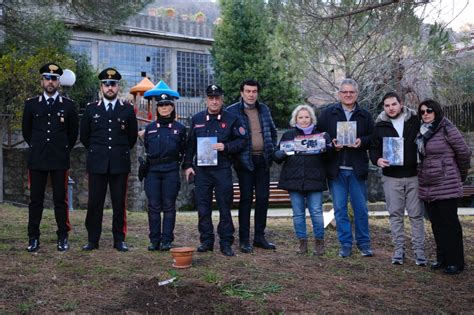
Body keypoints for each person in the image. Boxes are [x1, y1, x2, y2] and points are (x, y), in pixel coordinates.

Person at [183, 84, 247, 257]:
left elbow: (242, 141)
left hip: (222, 169)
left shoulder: (232, 118)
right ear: (206, 100)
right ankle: (206, 241)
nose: (214, 101)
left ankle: (226, 243)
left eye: (217, 98)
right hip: (202, 171)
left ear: (222, 99)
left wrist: (225, 146)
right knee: (203, 207)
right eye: (211, 98)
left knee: (224, 207)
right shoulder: (196, 119)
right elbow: (190, 145)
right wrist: (188, 165)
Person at [21, 62, 79, 252]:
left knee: (60, 200)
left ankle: (62, 236)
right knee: (35, 200)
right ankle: (33, 237)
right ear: (42, 81)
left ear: (59, 82)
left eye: (54, 79)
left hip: (58, 159)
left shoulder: (68, 106)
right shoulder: (31, 105)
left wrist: (60, 149)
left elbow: (72, 134)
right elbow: (27, 132)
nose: (50, 82)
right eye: (47, 78)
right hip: (37, 159)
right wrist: (39, 147)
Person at [80, 68, 138, 252]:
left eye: (113, 84)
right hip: (97, 163)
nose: (110, 87)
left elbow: (132, 137)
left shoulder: (127, 110)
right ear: (101, 87)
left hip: (119, 164)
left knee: (119, 203)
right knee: (94, 203)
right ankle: (92, 240)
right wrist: (99, 152)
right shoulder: (91, 109)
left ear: (118, 87)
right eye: (106, 84)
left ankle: (119, 240)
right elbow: (85, 137)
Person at [317, 78, 374, 258]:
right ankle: (345, 244)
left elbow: (374, 138)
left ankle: (364, 244)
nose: (348, 95)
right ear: (339, 94)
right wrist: (332, 144)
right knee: (340, 209)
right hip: (336, 169)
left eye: (351, 92)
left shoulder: (365, 115)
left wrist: (362, 141)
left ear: (357, 94)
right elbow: (319, 138)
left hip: (357, 169)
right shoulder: (327, 114)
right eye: (345, 92)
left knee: (360, 209)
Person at [369, 92, 427, 266]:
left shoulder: (415, 120)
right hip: (391, 177)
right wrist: (377, 159)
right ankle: (398, 251)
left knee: (416, 216)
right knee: (395, 215)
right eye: (386, 106)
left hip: (414, 175)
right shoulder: (379, 125)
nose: (390, 108)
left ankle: (419, 252)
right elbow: (374, 148)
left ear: (401, 103)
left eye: (393, 104)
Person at [416, 99, 471, 275]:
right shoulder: (421, 131)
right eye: (422, 111)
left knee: (450, 225)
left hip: (446, 184)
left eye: (429, 111)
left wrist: (457, 175)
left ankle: (456, 262)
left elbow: (464, 153)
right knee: (436, 224)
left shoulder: (446, 128)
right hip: (428, 185)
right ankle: (443, 259)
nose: (425, 114)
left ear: (437, 111)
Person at [226, 79, 278, 253]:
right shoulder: (232, 111)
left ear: (257, 93)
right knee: (246, 199)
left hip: (263, 161)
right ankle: (244, 239)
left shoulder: (264, 109)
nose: (251, 94)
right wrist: (235, 159)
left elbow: (272, 131)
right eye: (248, 91)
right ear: (242, 93)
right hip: (244, 163)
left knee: (263, 199)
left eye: (254, 91)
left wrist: (270, 152)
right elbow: (228, 138)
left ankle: (259, 237)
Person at [273, 105, 332, 255]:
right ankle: (302, 243)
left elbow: (329, 157)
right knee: (298, 213)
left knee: (316, 212)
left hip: (315, 179)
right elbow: (277, 157)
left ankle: (319, 243)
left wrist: (328, 147)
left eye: (307, 117)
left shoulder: (321, 135)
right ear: (295, 119)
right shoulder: (288, 135)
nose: (304, 120)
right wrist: (281, 153)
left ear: (312, 118)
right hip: (294, 179)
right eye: (301, 117)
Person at [142, 91, 186, 251]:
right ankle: (154, 240)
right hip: (153, 170)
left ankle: (167, 240)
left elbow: (183, 149)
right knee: (153, 206)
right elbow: (147, 147)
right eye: (161, 105)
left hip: (171, 170)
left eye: (167, 104)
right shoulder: (150, 128)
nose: (164, 107)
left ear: (172, 106)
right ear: (157, 108)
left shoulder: (180, 128)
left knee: (169, 206)